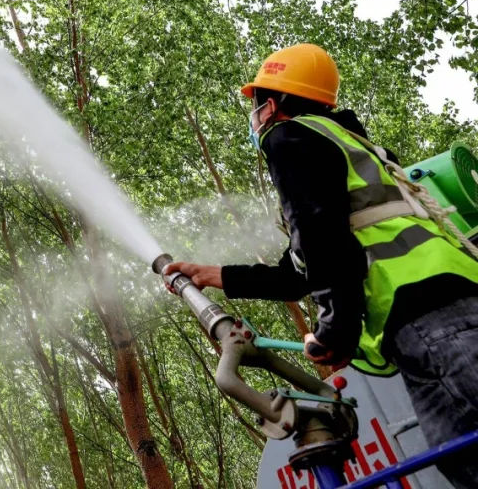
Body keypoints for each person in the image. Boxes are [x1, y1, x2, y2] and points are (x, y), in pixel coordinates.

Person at [164, 43, 478, 488]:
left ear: (270, 105)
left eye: (254, 108)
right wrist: (212, 275)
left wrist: (334, 332)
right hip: (452, 310)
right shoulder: (350, 146)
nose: (254, 122)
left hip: (429, 325)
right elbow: (304, 270)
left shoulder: (287, 138)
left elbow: (323, 242)